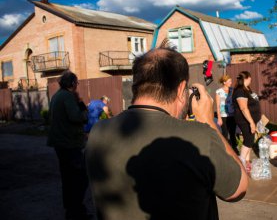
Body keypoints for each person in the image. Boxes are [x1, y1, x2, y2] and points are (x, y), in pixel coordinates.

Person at [85, 45, 249, 220]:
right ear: (181, 89)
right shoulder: (199, 137)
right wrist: (209, 122)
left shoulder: (98, 132)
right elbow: (238, 189)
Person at [47, 70, 92, 220]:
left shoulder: (57, 95)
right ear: (72, 83)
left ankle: (70, 210)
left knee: (67, 178)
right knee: (79, 179)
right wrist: (84, 112)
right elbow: (75, 117)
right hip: (69, 143)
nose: (77, 85)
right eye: (77, 82)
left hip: (60, 143)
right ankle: (76, 212)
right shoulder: (67, 96)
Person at [232, 71, 262, 171]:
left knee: (249, 139)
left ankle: (246, 162)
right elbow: (243, 108)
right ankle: (241, 162)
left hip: (250, 119)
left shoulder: (247, 89)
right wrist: (251, 123)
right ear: (247, 78)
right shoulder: (240, 91)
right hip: (245, 120)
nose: (251, 80)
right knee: (249, 140)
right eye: (250, 78)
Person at [215, 75, 238, 154]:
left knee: (232, 132)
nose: (231, 83)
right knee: (225, 133)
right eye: (229, 81)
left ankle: (234, 149)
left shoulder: (233, 90)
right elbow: (217, 105)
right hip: (223, 115)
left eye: (231, 81)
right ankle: (226, 150)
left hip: (232, 115)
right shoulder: (219, 91)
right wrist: (219, 117)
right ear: (224, 82)